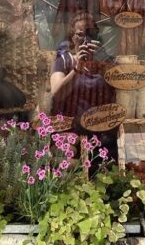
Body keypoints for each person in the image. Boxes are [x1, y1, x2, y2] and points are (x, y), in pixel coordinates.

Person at [50, 12, 117, 162]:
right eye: (80, 34)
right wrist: (77, 68)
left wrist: (103, 63)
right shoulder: (64, 61)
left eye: (90, 34)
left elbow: (120, 91)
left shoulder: (106, 61)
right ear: (72, 36)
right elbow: (57, 94)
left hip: (102, 135)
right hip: (70, 134)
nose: (85, 39)